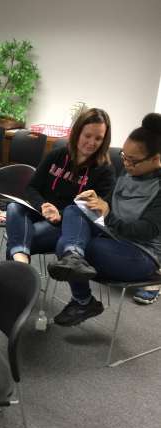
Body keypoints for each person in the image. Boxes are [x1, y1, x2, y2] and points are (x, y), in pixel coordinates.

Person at [47, 113, 161, 326]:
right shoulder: (128, 174)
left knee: (68, 243)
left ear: (156, 158)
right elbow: (109, 202)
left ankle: (82, 299)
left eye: (132, 160)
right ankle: (75, 264)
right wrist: (95, 200)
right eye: (124, 156)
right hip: (113, 237)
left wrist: (107, 215)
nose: (125, 163)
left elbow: (146, 230)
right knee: (73, 210)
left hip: (140, 255)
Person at [5, 108, 115, 263]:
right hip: (42, 212)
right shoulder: (56, 155)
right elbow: (32, 187)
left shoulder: (105, 170)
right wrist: (43, 206)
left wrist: (60, 215)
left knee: (19, 234)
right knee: (13, 208)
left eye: (98, 138)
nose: (91, 143)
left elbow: (92, 211)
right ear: (77, 133)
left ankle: (19, 261)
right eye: (87, 136)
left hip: (67, 226)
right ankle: (20, 262)